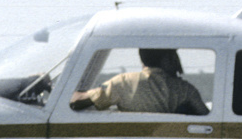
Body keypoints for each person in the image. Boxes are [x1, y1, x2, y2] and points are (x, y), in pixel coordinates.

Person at [70, 49, 209, 115]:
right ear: (167, 59)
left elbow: (76, 101)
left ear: (142, 60)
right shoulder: (186, 90)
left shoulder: (123, 82)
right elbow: (205, 116)